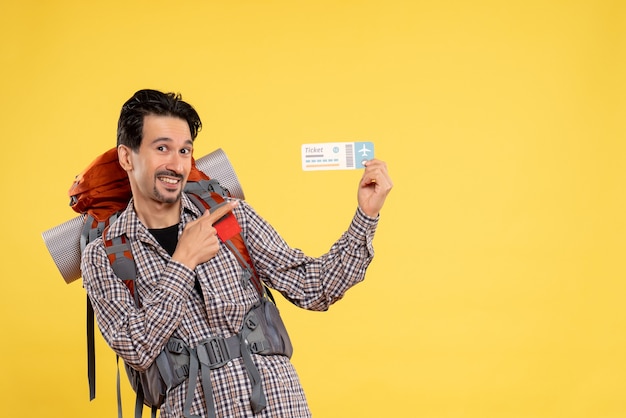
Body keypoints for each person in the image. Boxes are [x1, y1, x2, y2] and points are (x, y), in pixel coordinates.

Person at [81, 89, 393, 418]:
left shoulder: (229, 216)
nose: (177, 164)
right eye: (162, 149)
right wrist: (183, 261)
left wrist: (366, 216)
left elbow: (312, 288)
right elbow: (137, 347)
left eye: (185, 151)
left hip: (278, 406)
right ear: (127, 157)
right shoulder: (105, 255)